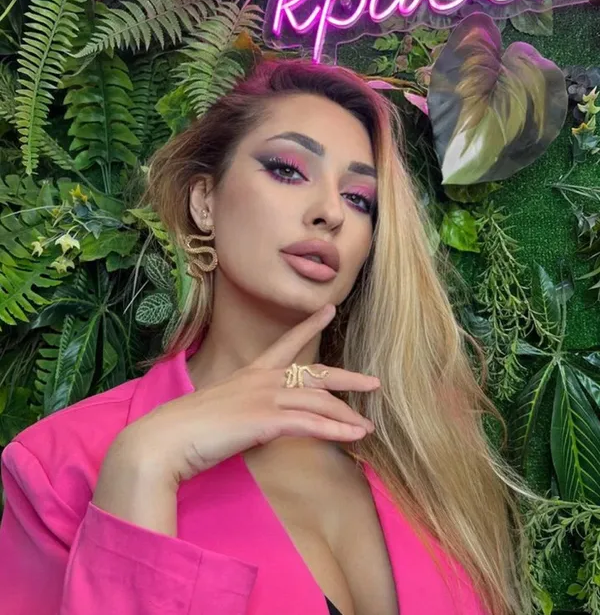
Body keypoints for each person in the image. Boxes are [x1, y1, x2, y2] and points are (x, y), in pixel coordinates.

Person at [0, 58, 535, 615]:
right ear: (204, 202)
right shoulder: (61, 467)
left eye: (359, 199)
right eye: (287, 169)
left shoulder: (426, 461)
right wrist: (145, 462)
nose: (330, 212)